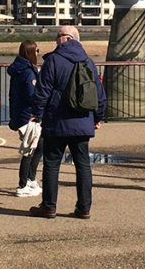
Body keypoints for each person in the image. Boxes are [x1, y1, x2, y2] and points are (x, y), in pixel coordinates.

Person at [29, 25, 107, 219]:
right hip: (82, 121)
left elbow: (43, 91)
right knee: (82, 165)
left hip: (57, 121)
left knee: (52, 163)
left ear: (68, 38)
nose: (56, 39)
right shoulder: (88, 62)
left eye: (59, 35)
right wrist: (98, 117)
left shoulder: (53, 60)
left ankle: (49, 206)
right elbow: (99, 92)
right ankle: (84, 208)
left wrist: (37, 114)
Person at [7, 39, 42, 197]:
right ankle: (23, 184)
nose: (38, 53)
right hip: (28, 116)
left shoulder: (19, 69)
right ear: (31, 52)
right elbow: (30, 95)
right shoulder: (27, 71)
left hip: (21, 114)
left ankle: (31, 179)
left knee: (38, 146)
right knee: (29, 149)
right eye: (36, 51)